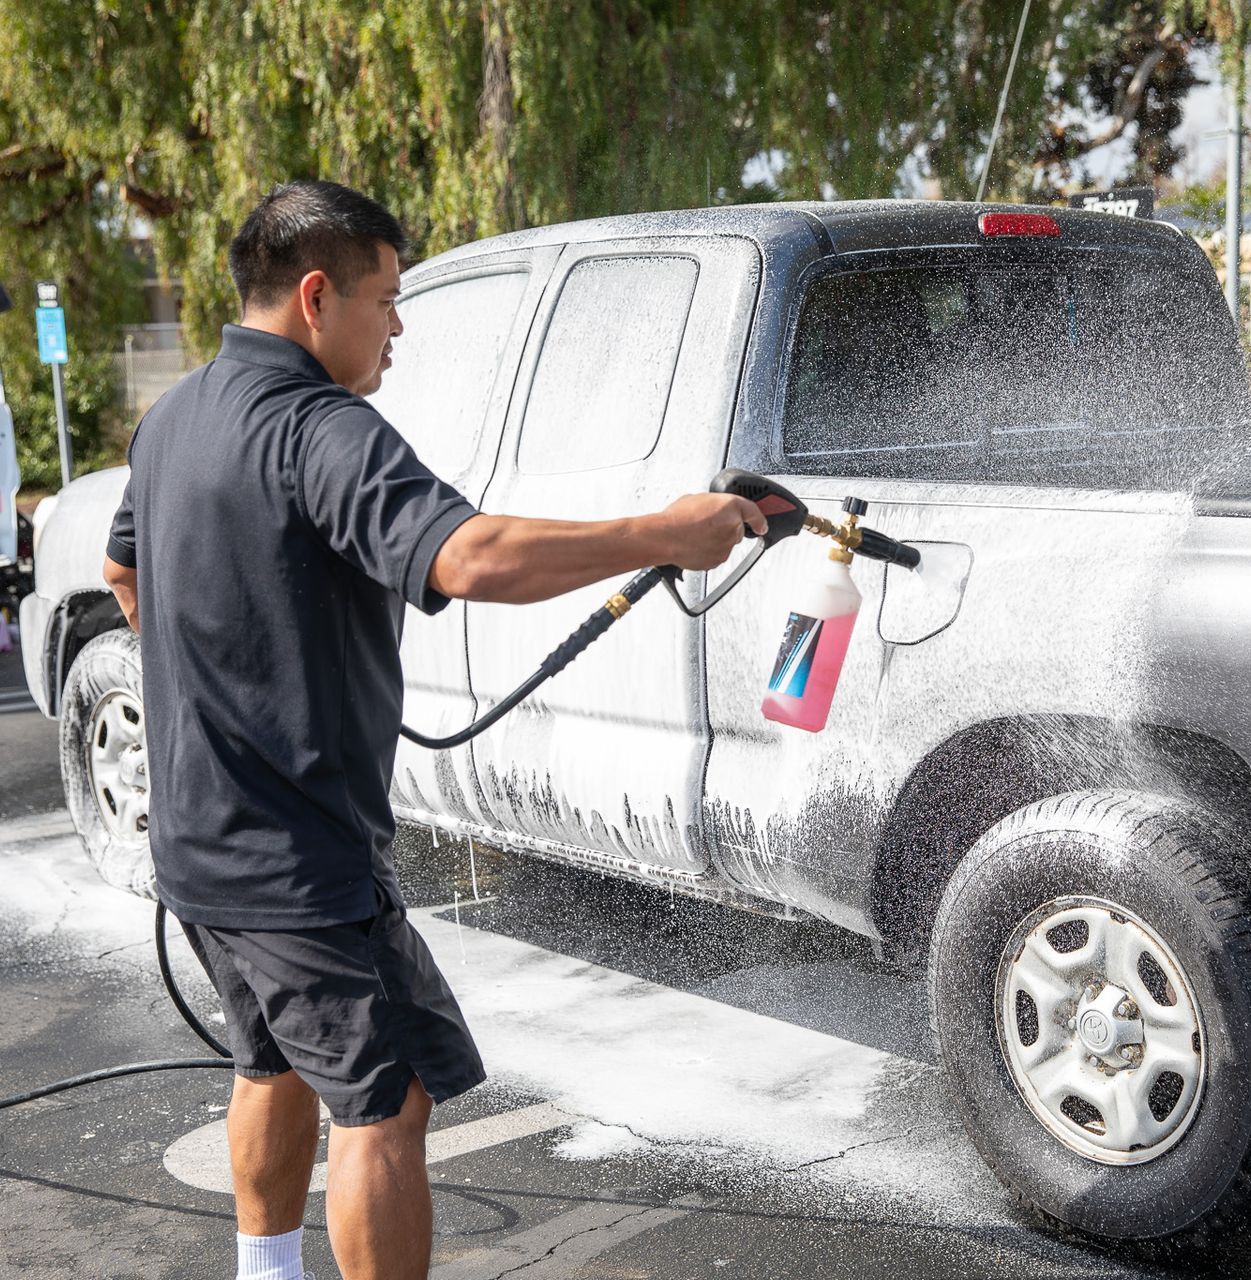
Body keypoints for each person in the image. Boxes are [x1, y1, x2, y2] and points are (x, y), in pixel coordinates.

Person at [102, 179, 764, 1280]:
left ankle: (266, 1272)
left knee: (270, 1063)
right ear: (317, 296)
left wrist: (225, 684)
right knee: (385, 1099)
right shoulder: (320, 428)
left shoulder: (175, 415)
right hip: (299, 861)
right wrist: (670, 530)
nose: (398, 326)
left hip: (198, 842)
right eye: (386, 299)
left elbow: (124, 567)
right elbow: (470, 556)